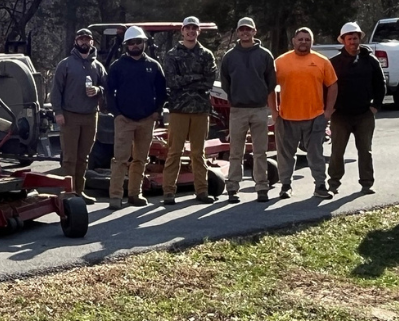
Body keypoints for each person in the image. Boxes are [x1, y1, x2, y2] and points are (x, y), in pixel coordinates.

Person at [270, 27, 337, 200]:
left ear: (312, 42)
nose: (303, 42)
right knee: (285, 155)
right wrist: (274, 112)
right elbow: (269, 87)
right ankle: (285, 185)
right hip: (286, 117)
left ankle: (320, 186)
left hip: (315, 117)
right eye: (300, 39)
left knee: (316, 154)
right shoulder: (280, 62)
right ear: (293, 41)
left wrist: (327, 112)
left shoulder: (322, 61)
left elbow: (333, 85)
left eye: (307, 39)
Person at [106, 26, 167, 210]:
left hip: (146, 119)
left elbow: (162, 91)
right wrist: (117, 114)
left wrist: (157, 111)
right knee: (120, 160)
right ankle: (116, 196)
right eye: (131, 43)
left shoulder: (153, 66)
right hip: (124, 120)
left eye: (138, 42)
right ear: (126, 45)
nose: (134, 45)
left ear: (144, 43)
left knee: (141, 159)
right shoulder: (117, 66)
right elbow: (109, 92)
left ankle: (135, 194)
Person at [162, 16, 219, 205]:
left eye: (194, 28)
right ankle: (169, 192)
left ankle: (202, 191)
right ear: (182, 31)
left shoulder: (206, 55)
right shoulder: (172, 55)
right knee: (174, 152)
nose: (191, 31)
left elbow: (209, 81)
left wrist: (186, 79)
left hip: (201, 109)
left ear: (198, 31)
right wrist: (195, 78)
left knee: (198, 153)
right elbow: (171, 81)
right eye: (188, 28)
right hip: (178, 109)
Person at [219, 17, 276, 203]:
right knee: (236, 151)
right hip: (237, 110)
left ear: (254, 31)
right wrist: (236, 97)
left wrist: (260, 97)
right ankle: (233, 188)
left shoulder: (265, 55)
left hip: (259, 109)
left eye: (248, 30)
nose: (245, 32)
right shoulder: (229, 57)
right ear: (238, 32)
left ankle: (261, 187)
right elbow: (226, 82)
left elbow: (271, 82)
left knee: (260, 152)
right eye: (242, 30)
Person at [327, 22, 386, 197]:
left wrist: (376, 106)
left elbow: (380, 84)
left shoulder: (370, 60)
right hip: (340, 116)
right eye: (349, 38)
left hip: (364, 115)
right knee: (337, 152)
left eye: (355, 38)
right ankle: (333, 183)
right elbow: (326, 87)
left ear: (360, 39)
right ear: (343, 40)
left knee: (365, 151)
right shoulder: (334, 63)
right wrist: (330, 108)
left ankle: (367, 183)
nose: (353, 41)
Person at [49, 28, 107, 204]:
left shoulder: (98, 66)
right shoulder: (65, 64)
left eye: (87, 39)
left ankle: (80, 192)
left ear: (92, 42)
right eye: (81, 39)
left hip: (90, 116)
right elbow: (56, 91)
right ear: (76, 41)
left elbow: (107, 88)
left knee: (84, 157)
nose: (84, 42)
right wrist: (58, 112)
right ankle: (68, 193)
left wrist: (98, 90)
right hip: (69, 116)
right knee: (69, 157)